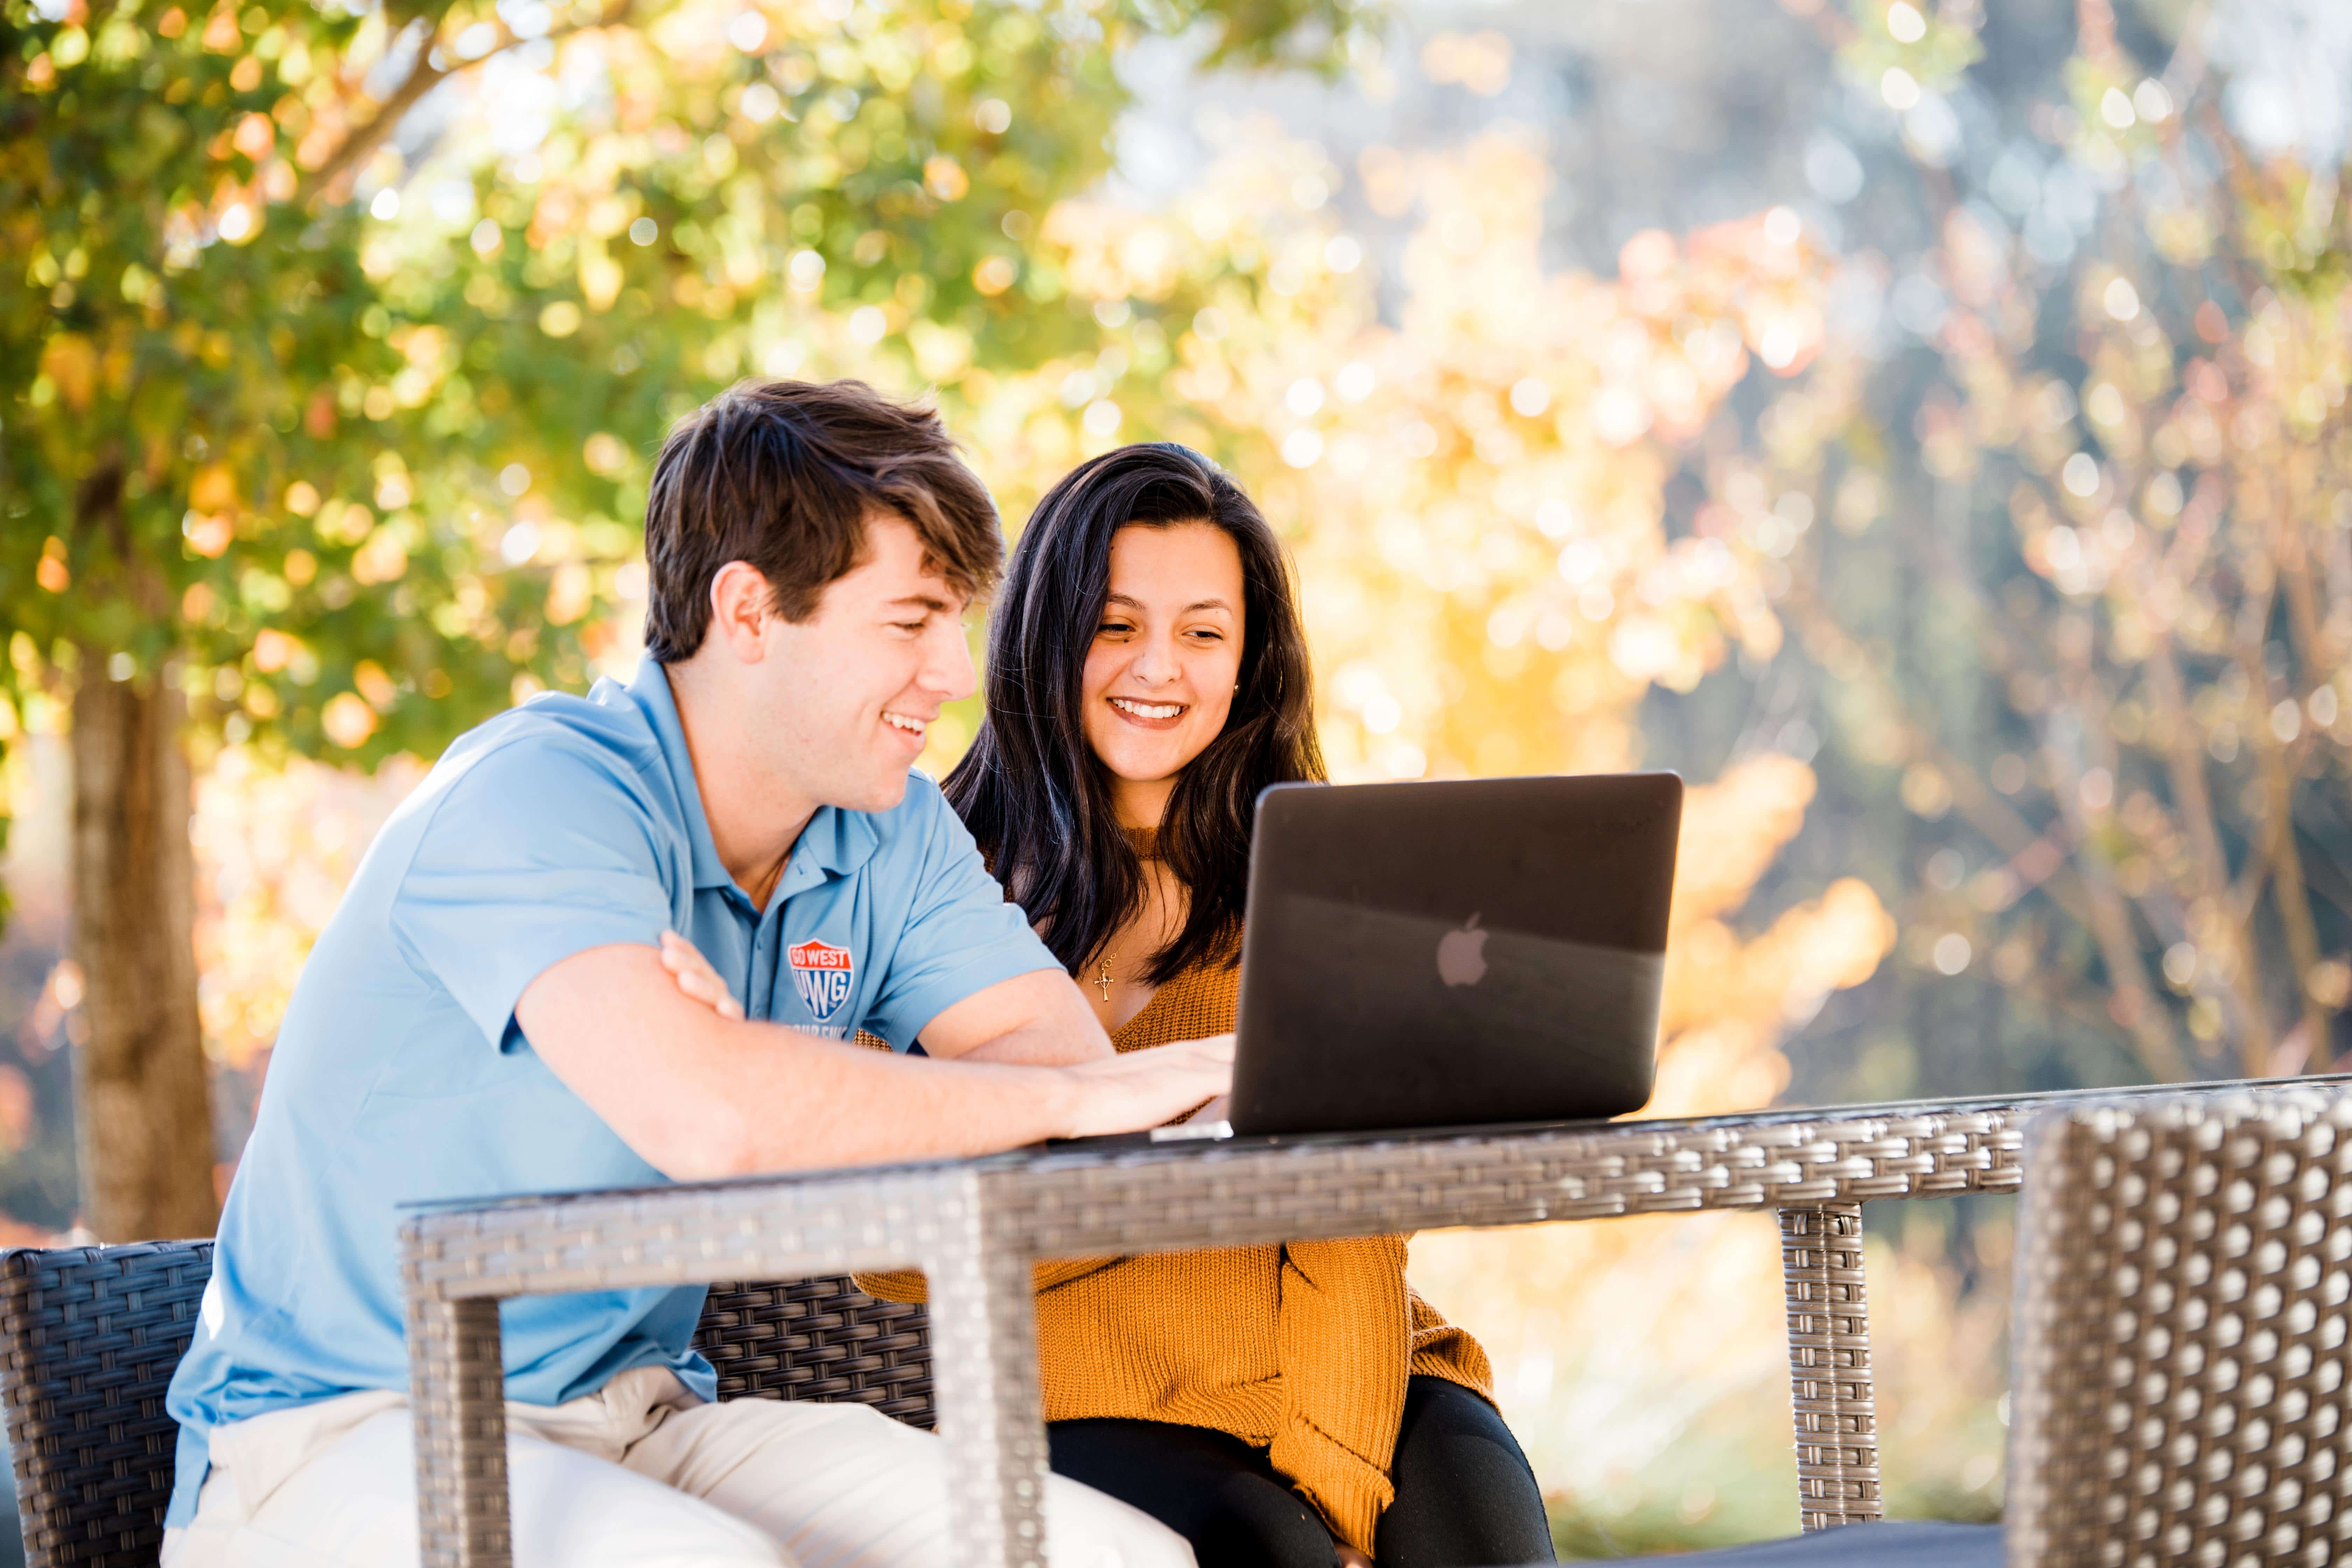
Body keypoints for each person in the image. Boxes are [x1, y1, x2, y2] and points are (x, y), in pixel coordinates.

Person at [160, 381, 1231, 1568]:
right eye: (911, 621)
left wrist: (776, 1080)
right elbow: (716, 1120)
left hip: (642, 1417)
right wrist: (746, 1085)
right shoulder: (533, 796)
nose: (953, 670)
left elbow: (1065, 1089)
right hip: (348, 1435)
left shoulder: (892, 830)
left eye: (957, 621)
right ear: (750, 610)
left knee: (1114, 1560)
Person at [671, 444, 1556, 1566]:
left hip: (1363, 1363)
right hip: (1079, 1397)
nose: (1161, 668)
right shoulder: (931, 873)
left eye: (1203, 632)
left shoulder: (1320, 874)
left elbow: (1352, 1214)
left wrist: (1334, 1478)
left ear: (1248, 664)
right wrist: (1195, 1191)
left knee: (1477, 1544)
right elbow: (899, 1253)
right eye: (1117, 624)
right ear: (1049, 637)